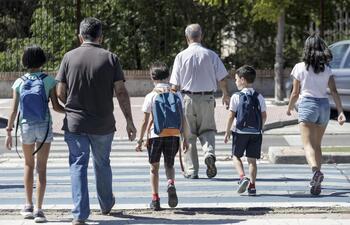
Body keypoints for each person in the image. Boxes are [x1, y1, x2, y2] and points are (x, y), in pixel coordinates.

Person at [56, 17, 136, 225]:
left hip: (75, 123)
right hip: (103, 124)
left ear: (80, 36)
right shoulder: (110, 58)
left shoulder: (68, 57)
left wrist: (72, 105)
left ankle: (80, 215)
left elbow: (60, 91)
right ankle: (106, 204)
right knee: (102, 163)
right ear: (101, 36)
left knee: (77, 165)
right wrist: (129, 121)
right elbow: (121, 92)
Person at [4, 45, 65, 223]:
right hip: (44, 126)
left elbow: (14, 111)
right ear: (42, 60)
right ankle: (39, 210)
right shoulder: (49, 81)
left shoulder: (19, 82)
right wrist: (70, 111)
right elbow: (56, 106)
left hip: (26, 127)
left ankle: (28, 206)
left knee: (28, 165)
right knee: (42, 168)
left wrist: (9, 131)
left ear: (25, 61)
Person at [287, 34, 346, 196]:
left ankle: (315, 172)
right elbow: (334, 91)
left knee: (308, 145)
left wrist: (289, 107)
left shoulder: (299, 67)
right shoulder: (327, 69)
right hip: (324, 107)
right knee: (317, 145)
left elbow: (295, 93)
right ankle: (317, 183)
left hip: (307, 105)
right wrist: (340, 112)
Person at [170, 23, 230, 179]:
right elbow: (222, 78)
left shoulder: (180, 56)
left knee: (189, 135)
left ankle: (192, 170)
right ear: (201, 36)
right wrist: (225, 94)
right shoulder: (211, 55)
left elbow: (174, 85)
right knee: (208, 130)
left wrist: (172, 102)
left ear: (186, 38)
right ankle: (209, 153)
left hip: (187, 99)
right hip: (207, 98)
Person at [135, 61, 189, 210]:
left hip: (155, 135)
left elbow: (145, 121)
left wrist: (140, 140)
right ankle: (170, 183)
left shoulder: (151, 96)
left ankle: (155, 199)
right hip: (173, 134)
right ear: (168, 76)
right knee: (169, 164)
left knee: (154, 168)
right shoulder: (176, 94)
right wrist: (185, 139)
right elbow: (183, 118)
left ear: (152, 77)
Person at [224, 65, 267, 196]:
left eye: (236, 79)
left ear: (242, 80)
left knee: (236, 156)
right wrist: (259, 127)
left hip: (240, 132)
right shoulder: (259, 96)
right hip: (256, 133)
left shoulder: (236, 96)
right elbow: (264, 115)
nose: (235, 81)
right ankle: (252, 186)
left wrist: (228, 131)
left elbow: (231, 115)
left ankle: (242, 177)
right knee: (252, 161)